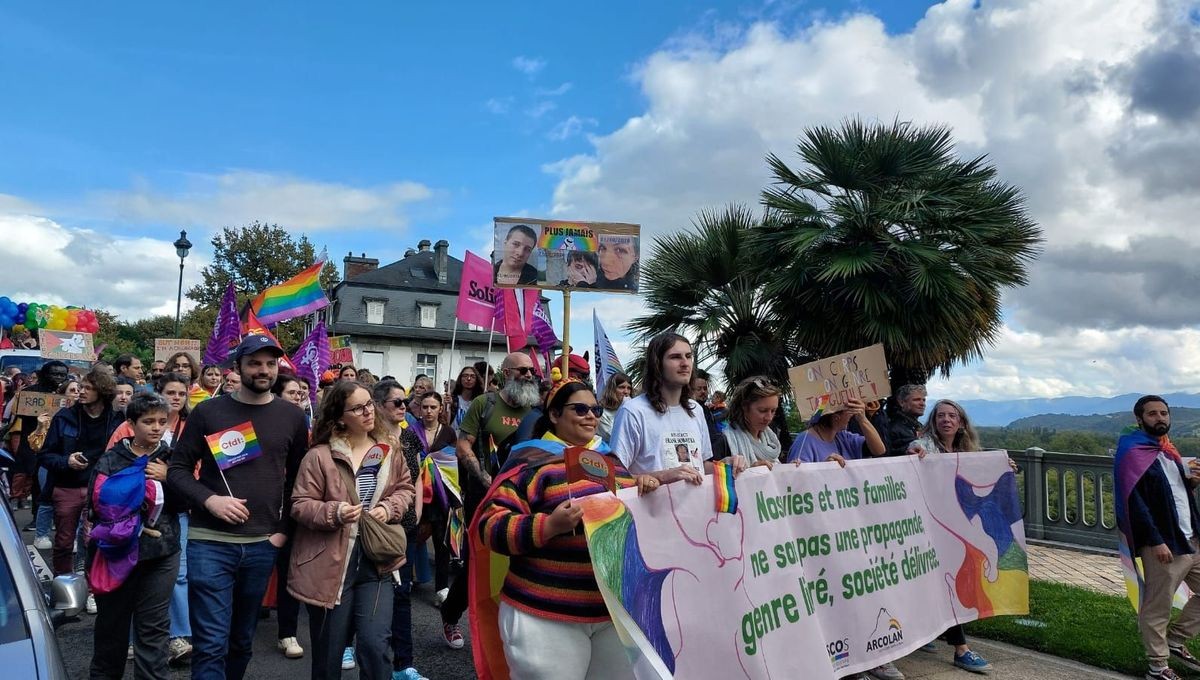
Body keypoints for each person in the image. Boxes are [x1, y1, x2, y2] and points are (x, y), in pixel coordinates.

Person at [472, 380, 659, 679]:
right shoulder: (531, 463)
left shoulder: (613, 463)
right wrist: (548, 526)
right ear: (555, 415)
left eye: (595, 409)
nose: (591, 416)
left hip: (611, 614)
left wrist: (644, 490)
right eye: (580, 409)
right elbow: (490, 526)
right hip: (544, 615)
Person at [166, 334, 309, 680]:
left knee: (241, 641)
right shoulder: (208, 411)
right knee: (212, 642)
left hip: (262, 545)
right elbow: (177, 471)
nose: (264, 370)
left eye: (270, 364)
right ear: (238, 367)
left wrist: (281, 532)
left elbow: (299, 480)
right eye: (255, 363)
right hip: (209, 542)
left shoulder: (291, 416)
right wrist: (210, 500)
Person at [288, 381, 417, 680]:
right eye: (358, 408)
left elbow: (405, 489)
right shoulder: (319, 456)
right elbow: (299, 504)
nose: (368, 412)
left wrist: (390, 508)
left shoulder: (389, 449)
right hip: (331, 564)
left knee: (374, 646)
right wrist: (334, 512)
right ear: (339, 416)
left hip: (377, 561)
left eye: (369, 404)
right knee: (329, 653)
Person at [441, 351, 539, 649]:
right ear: (506, 373)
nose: (529, 375)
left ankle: (512, 629)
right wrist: (484, 478)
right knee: (479, 561)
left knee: (522, 561)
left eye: (531, 371)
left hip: (526, 499)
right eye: (523, 370)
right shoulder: (485, 404)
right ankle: (451, 614)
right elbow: (462, 445)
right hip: (483, 496)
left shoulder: (537, 410)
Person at [86, 392, 182, 679]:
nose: (156, 428)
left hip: (161, 554)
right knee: (111, 628)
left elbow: (188, 503)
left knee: (153, 629)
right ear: (131, 423)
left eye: (162, 422)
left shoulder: (172, 460)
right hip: (115, 554)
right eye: (148, 421)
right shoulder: (111, 460)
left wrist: (169, 478)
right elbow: (94, 510)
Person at [906, 399, 1000, 675]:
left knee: (941, 582)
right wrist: (915, 452)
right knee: (949, 585)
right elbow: (912, 453)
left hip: (956, 527)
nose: (946, 420)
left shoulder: (965, 450)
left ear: (961, 423)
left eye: (952, 416)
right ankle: (961, 649)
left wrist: (1003, 466)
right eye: (941, 416)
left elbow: (981, 476)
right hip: (932, 525)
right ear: (933, 421)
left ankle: (925, 630)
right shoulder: (926, 446)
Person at [107, 372, 195, 664]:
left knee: (178, 577)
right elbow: (109, 474)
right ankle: (133, 639)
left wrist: (169, 476)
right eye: (171, 392)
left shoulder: (190, 428)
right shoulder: (123, 431)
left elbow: (191, 477)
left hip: (172, 519)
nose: (176, 398)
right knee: (132, 578)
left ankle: (178, 636)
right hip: (130, 522)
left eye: (181, 394)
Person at [1115, 396, 1200, 680]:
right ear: (1139, 419)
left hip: (1190, 538)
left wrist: (1191, 482)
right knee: (1158, 605)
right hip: (1162, 543)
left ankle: (1175, 640)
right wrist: (1155, 540)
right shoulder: (1132, 452)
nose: (1160, 418)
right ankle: (1157, 665)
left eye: (1164, 412)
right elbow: (1134, 502)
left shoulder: (1168, 450)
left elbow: (1172, 493)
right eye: (1152, 413)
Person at [610, 333, 744, 482]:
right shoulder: (633, 411)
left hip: (697, 504)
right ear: (657, 364)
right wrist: (662, 476)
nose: (685, 363)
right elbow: (615, 477)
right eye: (675, 357)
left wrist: (726, 465)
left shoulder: (696, 410)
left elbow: (701, 466)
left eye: (688, 356)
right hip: (654, 505)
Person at [371, 380, 432, 680]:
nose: (403, 407)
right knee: (363, 590)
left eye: (405, 402)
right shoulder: (368, 437)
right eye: (397, 402)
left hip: (404, 526)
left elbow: (418, 477)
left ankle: (403, 664)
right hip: (372, 525)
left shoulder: (411, 437)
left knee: (402, 592)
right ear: (380, 405)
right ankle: (348, 645)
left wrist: (417, 511)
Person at [40, 367, 122, 575]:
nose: (81, 392)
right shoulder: (64, 417)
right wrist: (67, 461)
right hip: (67, 488)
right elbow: (45, 456)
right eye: (81, 387)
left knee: (93, 540)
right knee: (64, 542)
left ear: (102, 392)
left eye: (88, 388)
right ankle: (63, 586)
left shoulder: (116, 420)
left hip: (101, 489)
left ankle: (91, 587)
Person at [786, 397, 886, 464]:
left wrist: (863, 419)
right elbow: (797, 482)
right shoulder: (804, 442)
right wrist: (825, 469)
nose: (852, 415)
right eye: (849, 410)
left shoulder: (844, 437)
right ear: (836, 417)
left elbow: (879, 450)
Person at [722, 376, 784, 466]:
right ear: (745, 407)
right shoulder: (725, 441)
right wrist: (751, 471)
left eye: (773, 411)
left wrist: (790, 468)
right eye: (762, 410)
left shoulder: (771, 440)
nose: (769, 418)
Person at [690, 369, 726, 460]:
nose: (703, 392)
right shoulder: (690, 411)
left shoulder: (707, 409)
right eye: (698, 389)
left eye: (705, 388)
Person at [886, 384, 927, 457]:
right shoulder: (893, 428)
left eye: (923, 400)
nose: (922, 404)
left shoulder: (919, 426)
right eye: (916, 400)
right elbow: (888, 453)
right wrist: (905, 450)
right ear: (902, 402)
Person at [596, 372, 632, 442]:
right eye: (621, 387)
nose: (626, 391)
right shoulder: (602, 413)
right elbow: (614, 437)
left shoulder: (631, 410)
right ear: (612, 389)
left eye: (629, 388)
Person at [448, 366, 483, 431]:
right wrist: (448, 407)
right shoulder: (453, 399)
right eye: (465, 375)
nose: (469, 379)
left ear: (476, 380)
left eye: (472, 376)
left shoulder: (480, 401)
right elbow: (445, 424)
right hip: (453, 438)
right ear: (460, 379)